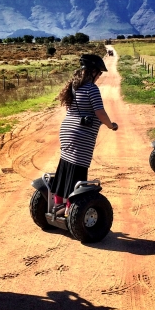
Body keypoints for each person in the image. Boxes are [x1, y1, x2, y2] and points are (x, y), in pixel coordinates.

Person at [51, 54, 118, 215]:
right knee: (78, 170)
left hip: (67, 129)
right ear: (92, 71)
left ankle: (58, 204)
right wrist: (111, 125)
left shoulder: (75, 86)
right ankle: (70, 209)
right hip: (81, 134)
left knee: (65, 167)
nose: (100, 76)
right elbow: (100, 112)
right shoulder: (91, 88)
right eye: (99, 72)